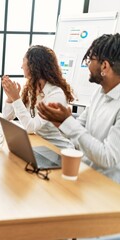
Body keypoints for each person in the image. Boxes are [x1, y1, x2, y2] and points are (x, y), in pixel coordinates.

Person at [37, 33, 120, 183]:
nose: (87, 65)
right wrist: (60, 122)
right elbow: (80, 126)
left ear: (105, 66)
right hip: (85, 174)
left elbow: (108, 158)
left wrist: (66, 122)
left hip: (108, 187)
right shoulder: (100, 93)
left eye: (90, 60)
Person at [1, 45, 74, 149]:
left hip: (58, 150)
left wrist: (16, 99)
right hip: (39, 145)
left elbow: (31, 127)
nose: (21, 66)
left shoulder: (56, 95)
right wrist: (10, 98)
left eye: (23, 61)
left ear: (33, 65)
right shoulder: (31, 88)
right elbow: (6, 117)